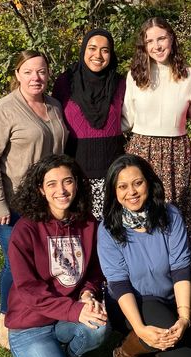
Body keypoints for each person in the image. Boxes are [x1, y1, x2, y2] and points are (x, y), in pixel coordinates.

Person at [0, 50, 68, 350]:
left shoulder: (54, 106)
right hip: (4, 200)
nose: (35, 78)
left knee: (37, 259)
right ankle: (6, 316)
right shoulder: (2, 110)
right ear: (17, 74)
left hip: (37, 201)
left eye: (41, 71)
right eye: (28, 72)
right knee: (15, 262)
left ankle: (38, 310)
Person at [6, 154, 108, 357]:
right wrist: (75, 311)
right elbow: (29, 290)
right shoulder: (25, 230)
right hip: (30, 324)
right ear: (41, 190)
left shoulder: (88, 222)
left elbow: (94, 269)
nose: (61, 190)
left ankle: (70, 356)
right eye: (51, 184)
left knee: (99, 327)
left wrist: (88, 294)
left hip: (67, 316)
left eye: (67, 181)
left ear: (77, 183)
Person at [97, 154, 191, 357]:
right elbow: (119, 284)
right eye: (122, 186)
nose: (131, 192)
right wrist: (141, 329)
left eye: (137, 183)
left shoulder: (170, 215)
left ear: (149, 183)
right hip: (131, 303)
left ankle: (146, 344)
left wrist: (184, 318)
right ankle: (126, 352)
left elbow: (180, 269)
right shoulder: (107, 229)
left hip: (169, 301)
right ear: (114, 192)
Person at [122, 17, 191, 252]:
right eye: (150, 41)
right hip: (141, 150)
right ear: (144, 46)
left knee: (177, 212)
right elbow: (126, 119)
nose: (157, 46)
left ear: (171, 39)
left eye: (161, 38)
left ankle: (182, 274)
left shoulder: (190, 76)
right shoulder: (135, 75)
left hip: (176, 152)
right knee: (141, 209)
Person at [53, 29, 126, 221]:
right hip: (76, 173)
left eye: (105, 50)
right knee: (81, 232)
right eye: (92, 48)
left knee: (111, 232)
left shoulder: (120, 84)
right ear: (83, 49)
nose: (98, 55)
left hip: (112, 172)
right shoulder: (64, 83)